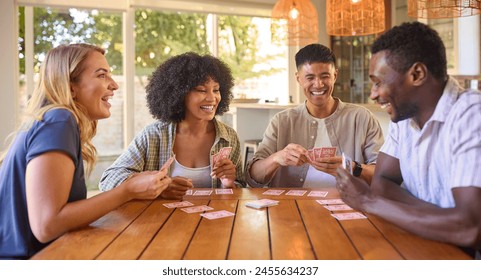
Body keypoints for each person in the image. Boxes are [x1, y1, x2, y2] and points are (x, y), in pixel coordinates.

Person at [0, 44, 171, 259]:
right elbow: (47, 226)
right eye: (102, 75)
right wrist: (128, 191)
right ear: (71, 86)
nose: (114, 85)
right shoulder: (59, 119)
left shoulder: (49, 120)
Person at [335, 22, 481, 257]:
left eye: (378, 82)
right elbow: (382, 184)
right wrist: (444, 220)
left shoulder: (472, 114)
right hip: (426, 246)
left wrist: (367, 201)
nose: (373, 94)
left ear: (417, 74)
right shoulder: (403, 119)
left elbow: (470, 229)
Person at [99, 52, 244, 198]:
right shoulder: (153, 136)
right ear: (179, 94)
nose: (212, 98)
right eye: (201, 90)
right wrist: (157, 187)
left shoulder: (229, 137)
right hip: (159, 220)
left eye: (216, 90)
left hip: (214, 220)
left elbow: (241, 190)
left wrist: (228, 183)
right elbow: (109, 180)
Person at [246, 44, 384, 188]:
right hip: (290, 206)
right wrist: (276, 158)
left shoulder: (362, 118)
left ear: (335, 76)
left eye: (325, 76)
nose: (318, 84)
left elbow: (382, 175)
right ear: (298, 79)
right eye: (310, 77)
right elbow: (253, 177)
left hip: (348, 205)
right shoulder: (282, 121)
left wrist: (353, 168)